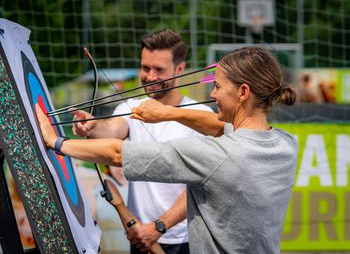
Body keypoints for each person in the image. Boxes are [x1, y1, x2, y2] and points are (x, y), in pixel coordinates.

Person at [36, 46, 298, 253]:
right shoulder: (286, 144)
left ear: (243, 92)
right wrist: (168, 113)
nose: (213, 93)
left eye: (217, 86)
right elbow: (224, 127)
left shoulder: (217, 155)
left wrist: (57, 142)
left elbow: (119, 154)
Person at [70, 29, 212, 253]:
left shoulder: (200, 116)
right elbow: (111, 129)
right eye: (146, 68)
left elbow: (201, 185)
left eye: (159, 70)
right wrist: (93, 124)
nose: (151, 76)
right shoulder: (130, 108)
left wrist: (159, 227)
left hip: (187, 238)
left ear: (180, 69)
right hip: (140, 236)